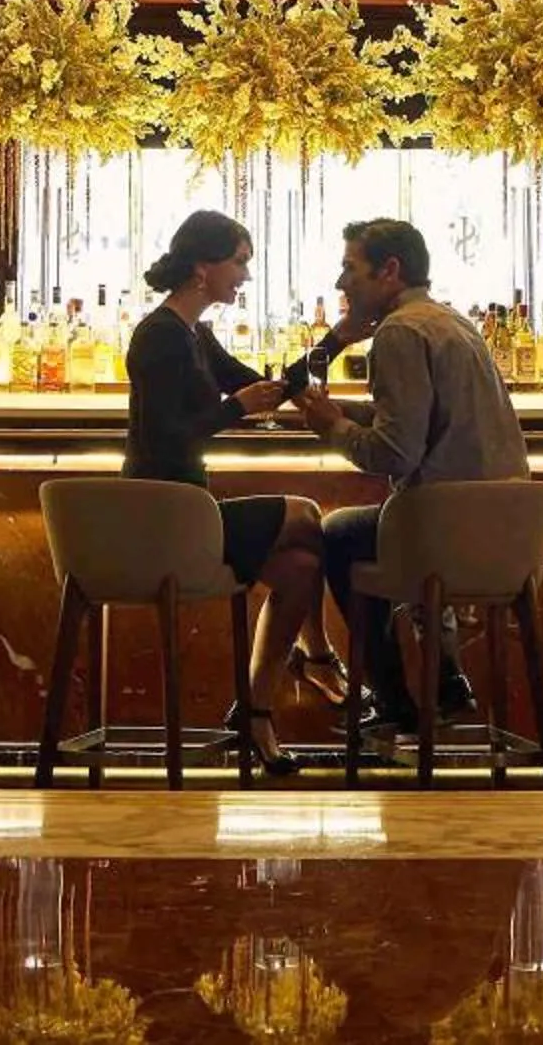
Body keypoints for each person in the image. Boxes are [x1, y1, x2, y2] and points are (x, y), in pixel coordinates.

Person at [122, 209, 344, 775]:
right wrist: (236, 408)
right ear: (203, 267)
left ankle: (256, 712)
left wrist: (338, 339)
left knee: (298, 566)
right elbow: (165, 435)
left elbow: (265, 385)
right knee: (308, 514)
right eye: (239, 262)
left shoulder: (194, 334)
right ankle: (317, 656)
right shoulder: (159, 337)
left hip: (190, 506)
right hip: (162, 514)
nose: (245, 275)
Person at [297, 217, 531, 739]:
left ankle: (393, 701)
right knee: (379, 529)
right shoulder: (451, 321)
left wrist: (331, 429)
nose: (340, 283)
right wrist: (349, 413)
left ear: (389, 271)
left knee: (339, 533)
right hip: (508, 532)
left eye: (349, 268)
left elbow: (395, 455)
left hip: (443, 531)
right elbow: (421, 420)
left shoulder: (399, 334)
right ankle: (448, 684)